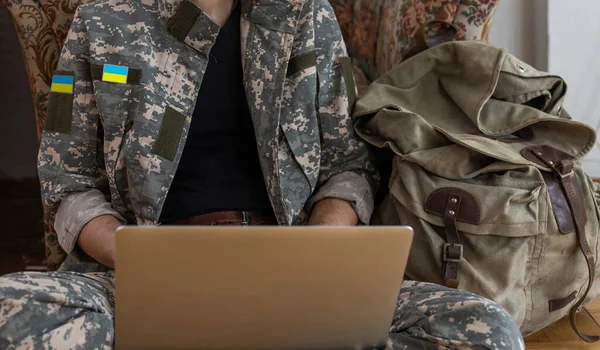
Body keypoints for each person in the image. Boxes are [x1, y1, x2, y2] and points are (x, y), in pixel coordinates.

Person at [0, 0, 525, 348]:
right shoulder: (102, 17)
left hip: (294, 272)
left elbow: (350, 165)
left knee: (486, 331)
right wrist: (136, 255)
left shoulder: (304, 14)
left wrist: (318, 248)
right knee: (10, 313)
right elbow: (67, 182)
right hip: (140, 277)